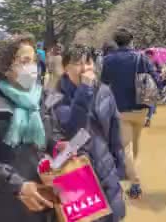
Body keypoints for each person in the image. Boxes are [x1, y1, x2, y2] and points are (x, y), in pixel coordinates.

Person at [0, 34, 62, 222]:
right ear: (7, 68)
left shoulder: (41, 99)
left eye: (34, 61)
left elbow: (51, 135)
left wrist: (59, 146)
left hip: (42, 200)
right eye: (25, 61)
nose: (32, 67)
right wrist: (17, 185)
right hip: (3, 204)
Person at [45, 45, 126, 222]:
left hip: (105, 168)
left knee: (112, 216)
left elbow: (115, 131)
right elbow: (73, 128)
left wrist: (119, 166)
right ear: (65, 68)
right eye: (78, 63)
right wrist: (85, 89)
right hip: (75, 173)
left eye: (88, 62)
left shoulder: (104, 91)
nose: (85, 68)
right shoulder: (55, 97)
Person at [101, 27, 157, 199]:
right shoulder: (141, 57)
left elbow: (104, 81)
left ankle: (135, 182)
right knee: (136, 143)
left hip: (120, 107)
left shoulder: (109, 59)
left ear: (116, 42)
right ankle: (132, 172)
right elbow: (154, 77)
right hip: (141, 106)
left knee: (125, 146)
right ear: (131, 40)